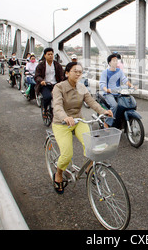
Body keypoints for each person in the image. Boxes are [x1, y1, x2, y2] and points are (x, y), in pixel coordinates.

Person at [52, 61, 113, 194]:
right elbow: (57, 105)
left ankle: (89, 169)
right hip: (61, 123)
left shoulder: (81, 87)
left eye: (80, 72)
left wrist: (103, 111)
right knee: (67, 155)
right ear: (67, 73)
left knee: (93, 147)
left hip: (78, 120)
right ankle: (58, 174)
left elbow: (91, 101)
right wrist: (64, 117)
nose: (78, 74)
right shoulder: (59, 87)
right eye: (75, 71)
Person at [99, 53, 136, 128]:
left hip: (118, 92)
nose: (116, 62)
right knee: (115, 106)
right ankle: (107, 122)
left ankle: (121, 120)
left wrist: (132, 86)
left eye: (116, 60)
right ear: (109, 62)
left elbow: (125, 80)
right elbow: (102, 84)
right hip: (109, 93)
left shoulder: (119, 71)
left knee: (125, 104)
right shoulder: (105, 72)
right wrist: (107, 90)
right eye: (114, 61)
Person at [34, 47, 64, 116]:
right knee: (48, 97)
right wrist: (41, 81)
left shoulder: (57, 65)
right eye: (48, 54)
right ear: (45, 55)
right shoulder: (41, 65)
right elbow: (37, 76)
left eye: (51, 54)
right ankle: (44, 108)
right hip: (45, 85)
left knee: (63, 98)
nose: (50, 56)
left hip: (55, 85)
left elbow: (61, 75)